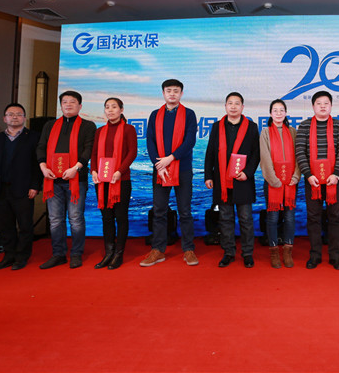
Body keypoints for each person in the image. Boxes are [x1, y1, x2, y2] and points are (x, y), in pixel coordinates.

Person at [36, 91, 96, 269]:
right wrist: (43, 167)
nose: (68, 105)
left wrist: (76, 168)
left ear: (80, 106)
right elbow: (41, 147)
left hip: (76, 179)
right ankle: (58, 254)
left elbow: (88, 149)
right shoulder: (50, 125)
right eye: (64, 102)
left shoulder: (88, 126)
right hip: (52, 179)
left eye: (72, 102)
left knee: (75, 218)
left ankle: (76, 253)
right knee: (55, 219)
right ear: (60, 105)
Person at [142, 79, 198, 267]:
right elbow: (150, 141)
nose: (172, 94)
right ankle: (158, 250)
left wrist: (171, 158)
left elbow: (190, 141)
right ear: (163, 93)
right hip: (160, 169)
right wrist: (159, 164)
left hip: (182, 168)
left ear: (181, 93)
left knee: (185, 211)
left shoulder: (189, 114)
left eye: (176, 91)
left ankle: (188, 249)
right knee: (159, 211)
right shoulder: (155, 115)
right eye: (168, 90)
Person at [204, 92, 260, 268]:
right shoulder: (216, 127)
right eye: (230, 103)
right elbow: (210, 153)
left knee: (246, 219)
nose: (233, 106)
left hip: (242, 180)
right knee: (225, 218)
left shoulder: (251, 127)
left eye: (237, 103)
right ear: (225, 106)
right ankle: (228, 252)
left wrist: (247, 173)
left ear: (242, 107)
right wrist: (208, 176)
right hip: (221, 181)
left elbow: (256, 154)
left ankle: (247, 253)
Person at [0, 103, 42, 271]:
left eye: (18, 114)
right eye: (10, 114)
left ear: (24, 118)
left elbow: (37, 164)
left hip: (24, 188)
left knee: (25, 225)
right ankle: (8, 256)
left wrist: (35, 185)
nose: (14, 117)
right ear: (4, 118)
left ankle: (21, 257)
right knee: (5, 225)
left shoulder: (34, 137)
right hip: (0, 188)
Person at [296, 91, 339, 270]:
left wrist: (337, 174)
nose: (323, 106)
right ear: (313, 106)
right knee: (313, 218)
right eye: (319, 103)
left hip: (334, 180)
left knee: (335, 217)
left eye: (326, 103)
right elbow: (300, 152)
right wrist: (308, 175)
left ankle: (335, 256)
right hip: (312, 181)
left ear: (331, 106)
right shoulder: (304, 126)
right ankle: (315, 255)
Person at [90, 98, 137, 269]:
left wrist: (119, 171)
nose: (110, 110)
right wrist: (93, 171)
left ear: (121, 110)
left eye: (114, 107)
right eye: (107, 107)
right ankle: (108, 253)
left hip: (120, 180)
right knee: (107, 217)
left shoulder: (129, 129)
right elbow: (94, 153)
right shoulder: (100, 131)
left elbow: (132, 152)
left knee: (121, 217)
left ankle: (118, 254)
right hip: (102, 181)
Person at [259, 99, 300, 268]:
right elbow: (264, 157)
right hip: (272, 183)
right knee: (273, 217)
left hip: (291, 182)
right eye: (275, 110)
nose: (278, 113)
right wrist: (274, 180)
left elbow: (299, 155)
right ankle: (274, 251)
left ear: (286, 113)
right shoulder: (265, 133)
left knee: (290, 217)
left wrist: (296, 176)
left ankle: (288, 251)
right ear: (270, 113)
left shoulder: (293, 132)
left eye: (281, 110)